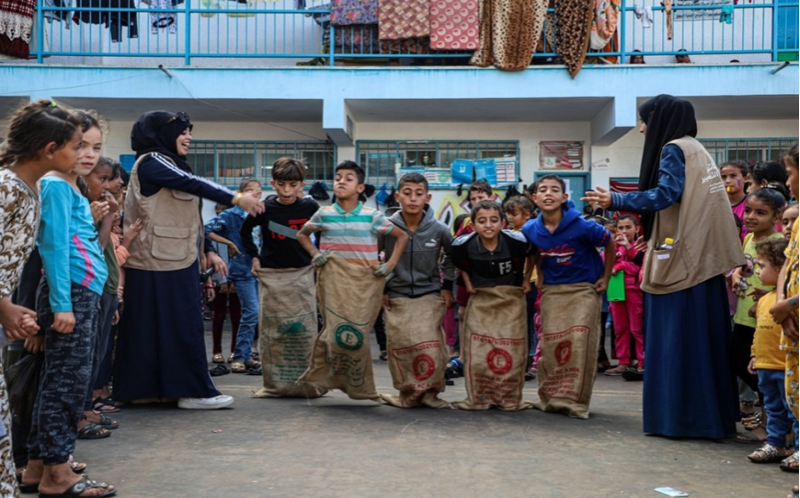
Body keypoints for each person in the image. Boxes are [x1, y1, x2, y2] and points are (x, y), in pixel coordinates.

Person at [583, 94, 744, 438]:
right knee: (704, 345)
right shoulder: (696, 149)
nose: (642, 129)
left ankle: (680, 419)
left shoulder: (674, 148)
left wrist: (617, 199)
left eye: (645, 121)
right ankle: (709, 418)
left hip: (682, 266)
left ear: (660, 121)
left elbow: (665, 194)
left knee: (676, 342)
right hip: (703, 262)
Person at [113, 110, 262, 410]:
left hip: (171, 259)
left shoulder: (166, 163)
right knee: (179, 327)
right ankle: (193, 391)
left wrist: (208, 249)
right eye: (183, 132)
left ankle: (148, 391)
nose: (189, 137)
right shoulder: (153, 161)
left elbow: (190, 216)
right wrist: (236, 198)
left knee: (159, 329)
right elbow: (193, 183)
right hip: (158, 260)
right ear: (163, 134)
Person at [23, 109, 116, 497]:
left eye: (95, 147)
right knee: (67, 385)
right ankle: (57, 473)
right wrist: (62, 305)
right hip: (71, 294)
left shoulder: (69, 185)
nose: (89, 154)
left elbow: (77, 241)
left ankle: (38, 466)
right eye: (80, 146)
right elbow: (54, 248)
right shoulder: (56, 185)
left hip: (80, 290)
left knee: (59, 381)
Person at [0, 100, 82, 498]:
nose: (80, 155)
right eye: (76, 146)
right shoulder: (7, 188)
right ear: (50, 149)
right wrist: (4, 306)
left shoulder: (30, 189)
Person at [297, 161, 408, 400]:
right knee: (333, 333)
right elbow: (302, 234)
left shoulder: (372, 216)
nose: (341, 182)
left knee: (357, 336)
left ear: (360, 188)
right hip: (333, 284)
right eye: (338, 177)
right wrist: (314, 253)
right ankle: (323, 379)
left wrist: (390, 265)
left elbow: (402, 236)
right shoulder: (324, 214)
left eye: (348, 178)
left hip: (363, 286)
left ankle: (360, 385)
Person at [523, 175, 613, 419]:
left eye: (555, 190)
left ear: (564, 197)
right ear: (535, 198)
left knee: (578, 341)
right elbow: (533, 252)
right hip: (553, 292)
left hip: (584, 289)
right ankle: (551, 397)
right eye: (543, 190)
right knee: (552, 344)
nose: (548, 193)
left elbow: (609, 242)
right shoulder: (530, 228)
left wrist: (606, 277)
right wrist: (535, 275)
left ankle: (575, 400)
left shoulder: (583, 225)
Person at [240, 157, 323, 397]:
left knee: (304, 331)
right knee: (273, 331)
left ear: (301, 185)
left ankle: (307, 383)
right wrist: (254, 257)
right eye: (281, 184)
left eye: (293, 185)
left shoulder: (310, 208)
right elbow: (245, 232)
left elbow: (324, 231)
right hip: (272, 276)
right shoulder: (265, 208)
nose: (287, 191)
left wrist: (317, 254)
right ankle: (275, 385)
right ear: (273, 184)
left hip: (302, 274)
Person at [379, 172, 456, 408]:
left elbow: (452, 257)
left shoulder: (439, 229)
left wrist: (447, 286)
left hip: (429, 293)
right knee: (401, 347)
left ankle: (431, 393)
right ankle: (407, 393)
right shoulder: (385, 228)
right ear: (397, 196)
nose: (413, 198)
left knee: (431, 346)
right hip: (396, 294)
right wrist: (382, 288)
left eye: (419, 194)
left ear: (427, 198)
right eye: (407, 193)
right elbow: (374, 258)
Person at [450, 199, 534, 410]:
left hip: (510, 297)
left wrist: (526, 279)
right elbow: (457, 263)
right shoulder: (463, 245)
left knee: (510, 348)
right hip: (482, 298)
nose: (488, 225)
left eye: (494, 220)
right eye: (482, 221)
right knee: (480, 348)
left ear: (502, 223)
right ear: (473, 225)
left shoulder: (517, 242)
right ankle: (480, 397)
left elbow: (534, 254)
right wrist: (467, 282)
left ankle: (508, 398)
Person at [75, 120, 124, 439]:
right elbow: (95, 247)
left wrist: (108, 215)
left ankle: (85, 407)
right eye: (102, 179)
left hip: (102, 287)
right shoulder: (80, 206)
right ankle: (80, 412)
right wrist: (104, 217)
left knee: (96, 352)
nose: (107, 186)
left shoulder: (96, 207)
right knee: (82, 357)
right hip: (84, 290)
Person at [730, 187, 787, 443]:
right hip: (744, 315)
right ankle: (769, 419)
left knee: (763, 372)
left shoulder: (777, 243)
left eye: (760, 213)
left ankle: (771, 426)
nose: (751, 217)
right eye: (749, 211)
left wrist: (766, 299)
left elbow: (784, 280)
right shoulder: (749, 239)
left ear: (776, 216)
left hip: (764, 320)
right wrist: (736, 274)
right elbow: (744, 265)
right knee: (737, 361)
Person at [746, 238, 798, 464]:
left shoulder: (788, 302)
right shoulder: (765, 299)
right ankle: (775, 443)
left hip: (786, 366)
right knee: (773, 408)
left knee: (794, 410)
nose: (758, 271)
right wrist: (754, 355)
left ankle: (797, 447)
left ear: (780, 269)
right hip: (766, 365)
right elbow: (758, 331)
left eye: (762, 266)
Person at [205, 179, 263, 374]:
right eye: (250, 190)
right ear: (241, 193)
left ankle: (246, 355)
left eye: (258, 190)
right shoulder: (231, 214)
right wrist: (229, 243)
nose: (255, 194)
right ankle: (239, 355)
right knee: (250, 311)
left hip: (261, 268)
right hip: (242, 269)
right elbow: (206, 229)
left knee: (255, 313)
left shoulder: (261, 212)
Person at [770, 143, 800, 471]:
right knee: (795, 396)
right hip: (792, 326)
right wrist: (783, 305)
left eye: (790, 173)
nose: (788, 182)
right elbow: (787, 268)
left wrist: (790, 304)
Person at [604, 215, 645, 377]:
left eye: (628, 227)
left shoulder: (640, 246)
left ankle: (642, 362)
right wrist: (614, 247)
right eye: (620, 228)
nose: (624, 231)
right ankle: (623, 361)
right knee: (620, 328)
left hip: (634, 292)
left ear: (637, 229)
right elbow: (605, 262)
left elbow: (639, 267)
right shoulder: (614, 246)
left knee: (637, 328)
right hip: (616, 291)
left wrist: (621, 264)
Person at [503, 195, 538, 379]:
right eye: (508, 213)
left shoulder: (529, 232)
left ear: (527, 215)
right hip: (517, 281)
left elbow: (533, 257)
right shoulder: (513, 232)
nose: (509, 217)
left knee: (527, 322)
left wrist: (526, 278)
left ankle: (527, 363)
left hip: (529, 282)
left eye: (513, 214)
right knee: (519, 322)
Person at [720, 159, 748, 240]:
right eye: (723, 177)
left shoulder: (751, 204)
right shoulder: (717, 205)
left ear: (745, 178)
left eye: (733, 176)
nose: (727, 181)